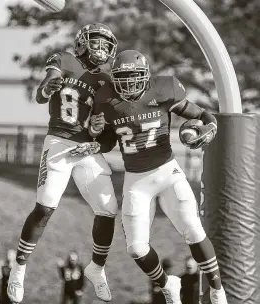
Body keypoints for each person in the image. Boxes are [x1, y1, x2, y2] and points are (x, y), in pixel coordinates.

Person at [93, 49, 228, 304]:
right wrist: (95, 137)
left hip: (167, 172)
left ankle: (217, 289)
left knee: (193, 230)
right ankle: (168, 284)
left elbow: (202, 115)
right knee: (136, 248)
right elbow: (108, 141)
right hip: (136, 179)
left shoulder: (164, 90)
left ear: (145, 76)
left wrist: (209, 126)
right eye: (123, 77)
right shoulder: (106, 100)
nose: (129, 83)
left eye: (134, 76)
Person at [7, 23, 118, 303]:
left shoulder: (106, 79)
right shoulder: (64, 60)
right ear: (82, 42)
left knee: (108, 209)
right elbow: (42, 93)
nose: (102, 49)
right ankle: (19, 268)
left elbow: (104, 129)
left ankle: (96, 268)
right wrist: (48, 87)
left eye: (107, 45)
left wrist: (98, 129)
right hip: (58, 141)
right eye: (97, 42)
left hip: (85, 147)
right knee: (45, 207)